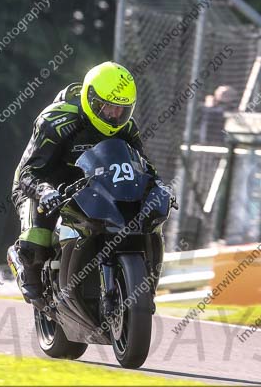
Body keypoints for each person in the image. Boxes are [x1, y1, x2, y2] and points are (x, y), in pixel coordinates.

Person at [9, 61, 170, 306]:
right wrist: (44, 191)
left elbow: (143, 164)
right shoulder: (55, 121)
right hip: (42, 183)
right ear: (91, 99)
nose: (115, 115)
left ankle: (144, 287)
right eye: (108, 108)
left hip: (96, 187)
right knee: (36, 238)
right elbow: (28, 171)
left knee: (151, 224)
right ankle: (25, 267)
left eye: (122, 109)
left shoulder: (127, 128)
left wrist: (158, 185)